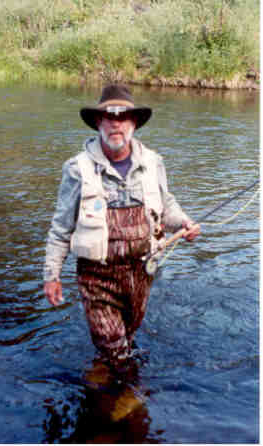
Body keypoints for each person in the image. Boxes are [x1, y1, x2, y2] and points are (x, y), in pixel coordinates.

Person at [44, 84, 200, 372]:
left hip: (142, 272)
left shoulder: (153, 162)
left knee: (126, 338)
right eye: (109, 117)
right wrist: (52, 275)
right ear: (98, 123)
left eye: (123, 117)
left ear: (134, 123)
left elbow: (167, 206)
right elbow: (61, 226)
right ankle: (124, 401)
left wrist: (185, 222)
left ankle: (101, 377)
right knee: (114, 346)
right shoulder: (77, 168)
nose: (116, 123)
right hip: (97, 277)